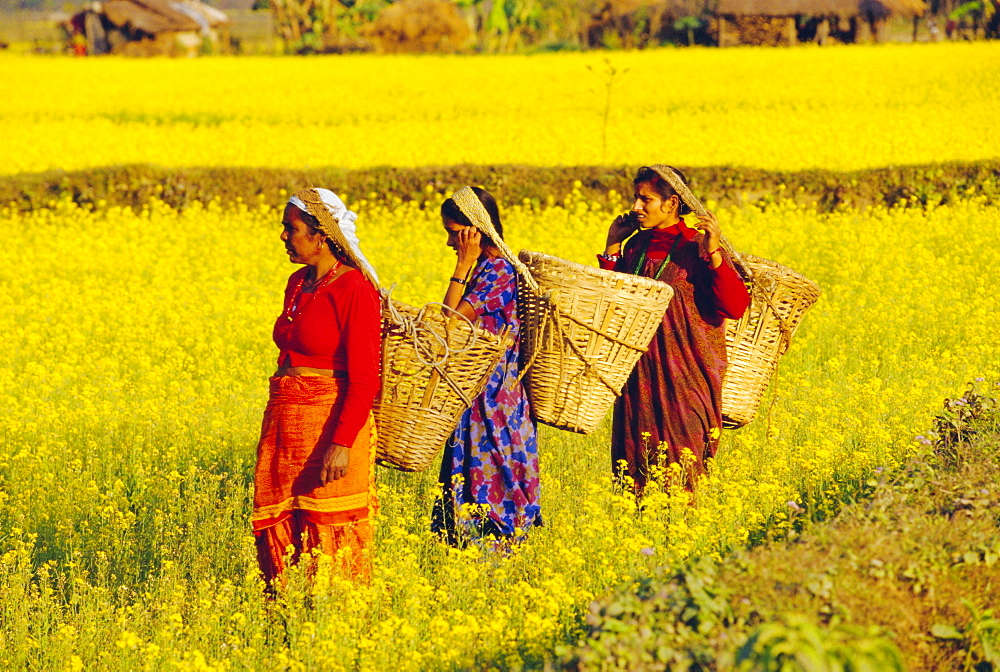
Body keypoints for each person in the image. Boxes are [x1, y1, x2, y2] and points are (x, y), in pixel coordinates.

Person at [252, 187, 382, 586]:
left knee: (331, 534)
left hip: (330, 428)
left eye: (290, 228)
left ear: (321, 235)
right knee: (283, 529)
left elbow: (364, 380)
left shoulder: (355, 288)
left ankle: (337, 627)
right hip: (285, 428)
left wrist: (341, 444)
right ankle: (288, 626)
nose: (283, 236)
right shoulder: (296, 282)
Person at [597, 166, 750, 491]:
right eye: (636, 199)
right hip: (638, 383)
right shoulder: (636, 248)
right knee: (634, 478)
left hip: (687, 383)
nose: (636, 207)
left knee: (683, 479)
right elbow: (612, 304)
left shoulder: (698, 248)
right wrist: (612, 248)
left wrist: (714, 251)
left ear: (672, 203)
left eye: (645, 199)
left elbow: (735, 306)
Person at [431, 186, 541, 546]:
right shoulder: (484, 268)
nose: (450, 243)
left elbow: (450, 323)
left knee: (495, 502)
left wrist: (461, 266)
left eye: (453, 233)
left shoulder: (498, 271)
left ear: (473, 231)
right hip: (475, 400)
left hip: (494, 405)